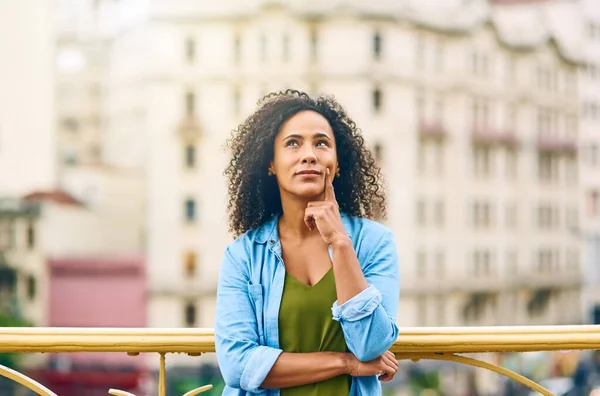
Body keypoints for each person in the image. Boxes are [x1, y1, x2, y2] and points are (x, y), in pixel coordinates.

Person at [215, 89, 401, 395]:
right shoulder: (243, 256)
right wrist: (345, 363)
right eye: (292, 143)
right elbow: (237, 365)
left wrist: (340, 242)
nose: (309, 154)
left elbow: (370, 345)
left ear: (338, 164)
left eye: (322, 143)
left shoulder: (374, 243)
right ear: (271, 163)